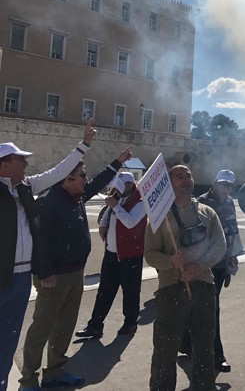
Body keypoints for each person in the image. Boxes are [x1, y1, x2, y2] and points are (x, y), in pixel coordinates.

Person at [19, 146, 132, 391]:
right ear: (67, 178)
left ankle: (54, 372)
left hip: (74, 273)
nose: (86, 180)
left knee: (65, 325)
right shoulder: (49, 203)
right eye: (82, 175)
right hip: (53, 277)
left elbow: (98, 182)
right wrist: (45, 272)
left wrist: (117, 162)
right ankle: (28, 380)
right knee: (42, 327)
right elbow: (39, 241)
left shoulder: (76, 196)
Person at [0, 120, 96, 391]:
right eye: (20, 160)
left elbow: (58, 172)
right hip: (2, 276)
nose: (27, 164)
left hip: (20, 280)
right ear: (4, 165)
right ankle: (27, 380)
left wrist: (84, 145)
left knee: (7, 342)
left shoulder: (26, 188)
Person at [144, 165, 227, 391]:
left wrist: (199, 265)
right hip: (171, 288)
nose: (186, 179)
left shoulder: (208, 213)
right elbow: (150, 254)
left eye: (188, 174)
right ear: (169, 184)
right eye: (179, 176)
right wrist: (170, 262)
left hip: (203, 287)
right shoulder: (159, 216)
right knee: (165, 349)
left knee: (204, 347)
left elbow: (220, 245)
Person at [179, 169, 245, 373]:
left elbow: (232, 231)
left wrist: (233, 255)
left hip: (221, 263)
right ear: (214, 183)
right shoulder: (202, 202)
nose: (226, 188)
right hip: (204, 264)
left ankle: (186, 343)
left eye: (229, 185)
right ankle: (217, 354)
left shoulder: (228, 203)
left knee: (204, 307)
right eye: (223, 184)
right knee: (211, 310)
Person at [75, 172, 147, 340]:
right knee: (104, 291)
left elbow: (130, 222)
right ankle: (95, 325)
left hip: (130, 256)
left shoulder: (141, 202)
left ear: (130, 185)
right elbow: (106, 218)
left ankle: (130, 323)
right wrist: (104, 224)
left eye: (120, 187)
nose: (116, 191)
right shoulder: (116, 198)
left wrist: (115, 206)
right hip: (111, 253)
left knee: (130, 292)